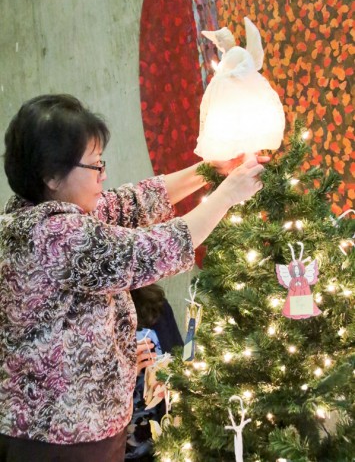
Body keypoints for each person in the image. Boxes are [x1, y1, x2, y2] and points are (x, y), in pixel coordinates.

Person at [0, 94, 268, 462]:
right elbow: (148, 252)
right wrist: (226, 196)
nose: (104, 175)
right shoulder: (53, 235)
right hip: (61, 440)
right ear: (51, 175)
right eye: (95, 165)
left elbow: (132, 202)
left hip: (77, 428)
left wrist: (208, 170)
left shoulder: (38, 214)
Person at [126, 284, 183, 461]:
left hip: (161, 449)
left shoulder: (156, 304)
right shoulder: (83, 316)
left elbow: (180, 364)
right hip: (109, 449)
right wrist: (124, 371)